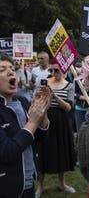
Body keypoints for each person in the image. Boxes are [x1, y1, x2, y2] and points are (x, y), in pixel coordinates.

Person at [0, 53, 52, 198]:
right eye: (2, 69)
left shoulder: (22, 101)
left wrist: (42, 110)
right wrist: (33, 121)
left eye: (11, 68)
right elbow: (7, 152)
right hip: (7, 187)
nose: (11, 71)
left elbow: (40, 136)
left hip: (28, 183)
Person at [36, 60, 76, 197]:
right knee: (43, 151)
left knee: (61, 150)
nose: (53, 73)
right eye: (51, 70)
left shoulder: (69, 86)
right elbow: (36, 102)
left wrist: (55, 96)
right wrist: (41, 99)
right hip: (45, 118)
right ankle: (40, 186)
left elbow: (68, 107)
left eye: (56, 70)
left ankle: (62, 183)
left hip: (61, 121)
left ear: (64, 70)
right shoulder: (44, 83)